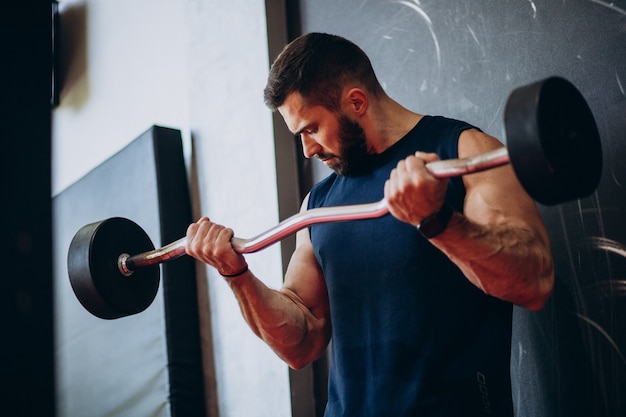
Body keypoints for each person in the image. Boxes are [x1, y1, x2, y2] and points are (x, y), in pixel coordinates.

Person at [185, 32, 554, 417]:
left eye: (311, 128)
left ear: (356, 101)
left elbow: (534, 283)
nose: (307, 149)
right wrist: (237, 275)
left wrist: (438, 220)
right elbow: (302, 343)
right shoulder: (319, 205)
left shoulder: (464, 153)